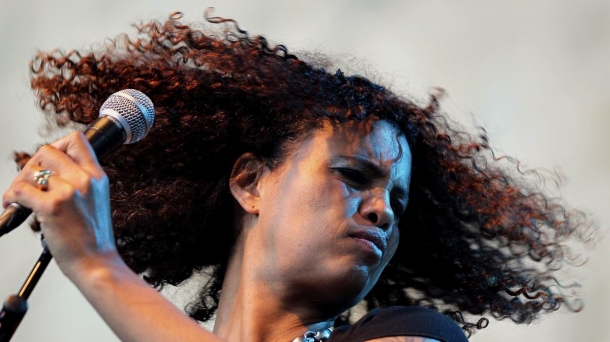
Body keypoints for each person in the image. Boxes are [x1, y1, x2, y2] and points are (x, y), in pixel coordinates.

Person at [1, 11, 591, 342]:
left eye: (398, 203)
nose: (383, 210)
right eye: (355, 175)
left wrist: (99, 263)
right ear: (250, 183)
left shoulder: (414, 335)